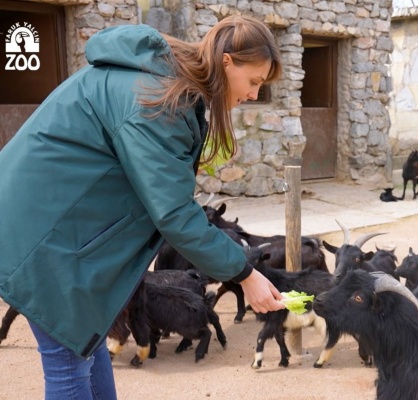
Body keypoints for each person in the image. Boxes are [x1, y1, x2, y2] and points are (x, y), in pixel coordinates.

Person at [0, 15, 286, 399]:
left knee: (86, 345)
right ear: (227, 63)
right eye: (254, 82)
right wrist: (244, 273)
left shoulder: (162, 86)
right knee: (68, 363)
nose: (253, 94)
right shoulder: (158, 100)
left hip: (56, 226)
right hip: (41, 235)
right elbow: (173, 214)